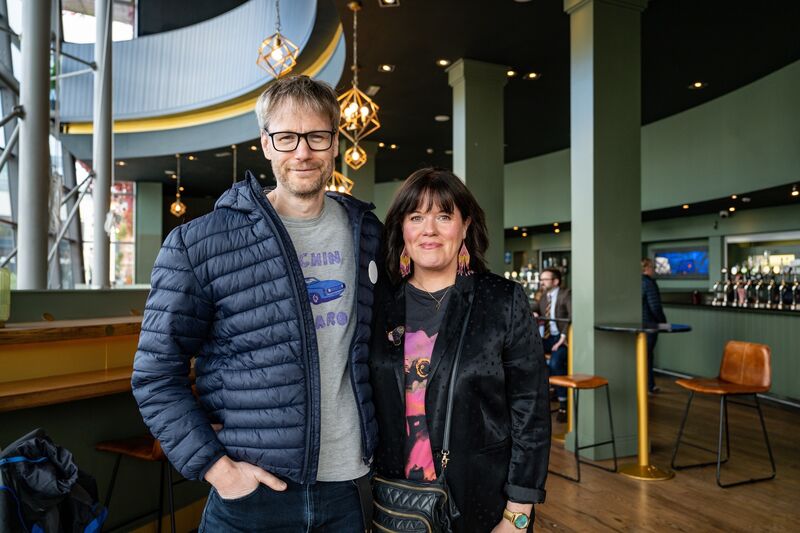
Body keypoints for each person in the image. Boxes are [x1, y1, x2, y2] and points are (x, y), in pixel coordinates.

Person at [131, 75, 382, 532]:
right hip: (253, 495)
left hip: (349, 488)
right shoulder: (198, 243)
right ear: (265, 144)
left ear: (335, 144)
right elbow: (154, 375)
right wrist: (217, 470)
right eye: (286, 137)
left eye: (316, 137)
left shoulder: (367, 232)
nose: (302, 152)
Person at [369, 168, 551, 532]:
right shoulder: (378, 305)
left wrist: (517, 515)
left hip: (480, 506)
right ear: (402, 230)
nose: (429, 229)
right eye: (416, 216)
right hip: (393, 503)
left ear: (465, 226)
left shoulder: (501, 300)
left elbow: (531, 413)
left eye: (444, 216)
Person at [534, 268, 571, 422]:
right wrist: (533, 312)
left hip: (562, 338)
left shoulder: (565, 294)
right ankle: (550, 390)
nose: (541, 282)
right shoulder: (544, 296)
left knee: (556, 362)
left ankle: (564, 404)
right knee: (529, 357)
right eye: (541, 279)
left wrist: (563, 337)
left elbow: (573, 315)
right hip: (549, 337)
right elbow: (534, 307)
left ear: (555, 281)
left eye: (545, 279)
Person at [642, 257, 667, 393]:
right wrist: (663, 322)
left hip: (639, 325)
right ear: (646, 268)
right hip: (650, 325)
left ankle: (647, 385)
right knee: (647, 356)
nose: (654, 270)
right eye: (652, 267)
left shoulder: (635, 282)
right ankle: (649, 386)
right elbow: (655, 306)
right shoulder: (649, 283)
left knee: (644, 356)